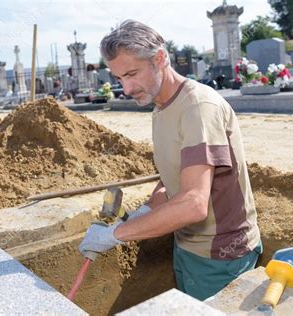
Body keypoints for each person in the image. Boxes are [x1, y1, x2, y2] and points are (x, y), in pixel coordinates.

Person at [78, 20, 262, 301]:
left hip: (220, 257)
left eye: (132, 74)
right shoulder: (162, 107)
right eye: (119, 79)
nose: (126, 88)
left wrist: (116, 233)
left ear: (160, 58)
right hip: (188, 248)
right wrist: (145, 212)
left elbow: (193, 203)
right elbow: (172, 180)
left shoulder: (198, 108)